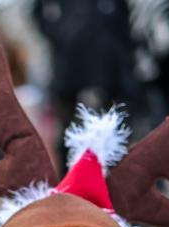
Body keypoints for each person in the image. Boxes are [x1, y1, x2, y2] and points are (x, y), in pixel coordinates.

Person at [32, 0, 137, 169]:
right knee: (67, 125)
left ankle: (114, 175)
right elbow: (38, 12)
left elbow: (123, 16)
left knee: (112, 124)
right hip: (69, 61)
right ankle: (68, 175)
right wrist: (59, 32)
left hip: (106, 59)